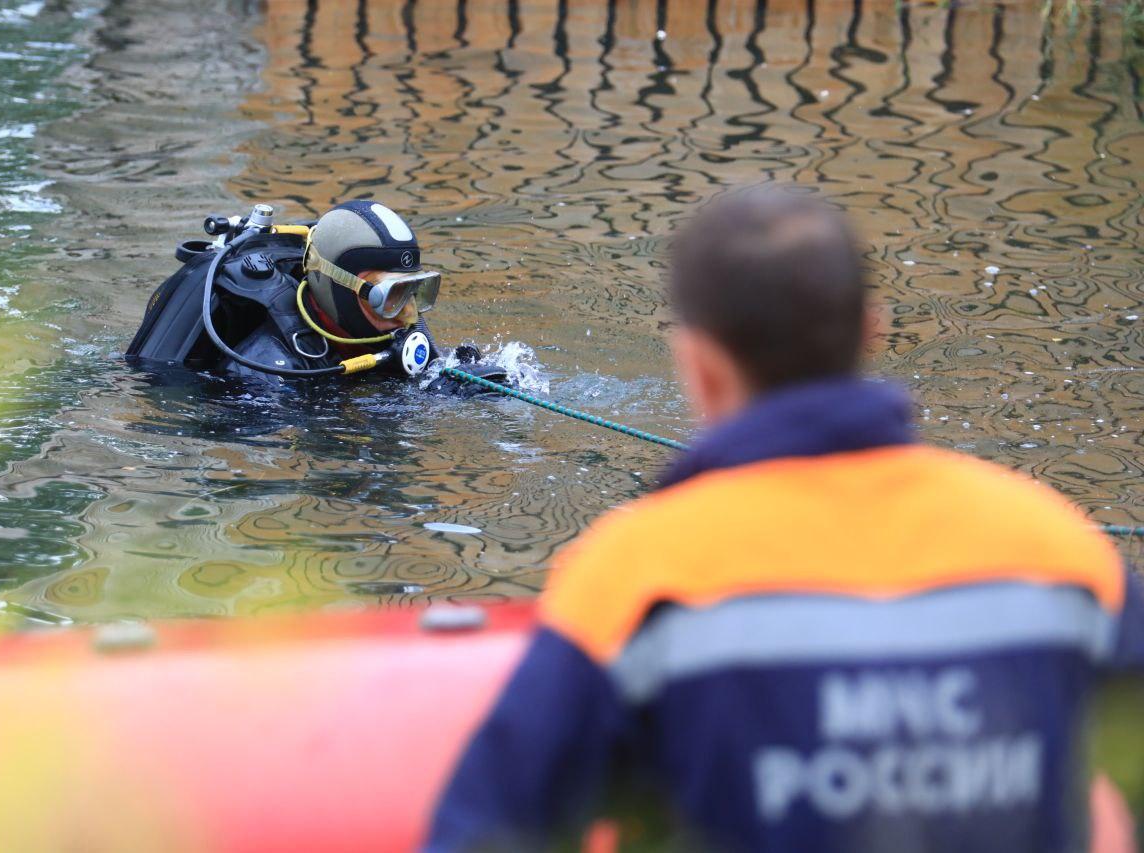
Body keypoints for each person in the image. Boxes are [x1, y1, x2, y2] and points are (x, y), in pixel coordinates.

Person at [426, 186, 1144, 852]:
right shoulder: (1059, 548)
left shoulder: (633, 576)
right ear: (871, 332)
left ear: (698, 365)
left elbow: (484, 827)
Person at [126, 199, 503, 392]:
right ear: (336, 290)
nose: (407, 314)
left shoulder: (379, 327)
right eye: (388, 295)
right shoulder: (270, 370)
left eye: (415, 290)